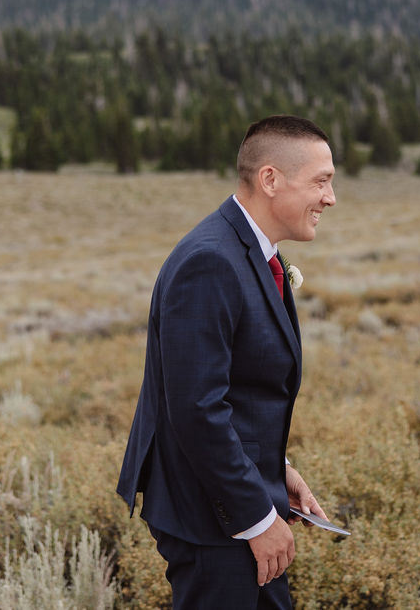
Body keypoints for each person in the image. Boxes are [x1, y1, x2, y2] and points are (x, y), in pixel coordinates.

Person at [117, 115, 337, 609]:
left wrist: (275, 469)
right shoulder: (211, 261)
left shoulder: (255, 254)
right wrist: (256, 518)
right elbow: (196, 407)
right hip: (212, 520)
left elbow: (236, 391)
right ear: (270, 179)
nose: (330, 198)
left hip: (235, 501)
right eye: (321, 181)